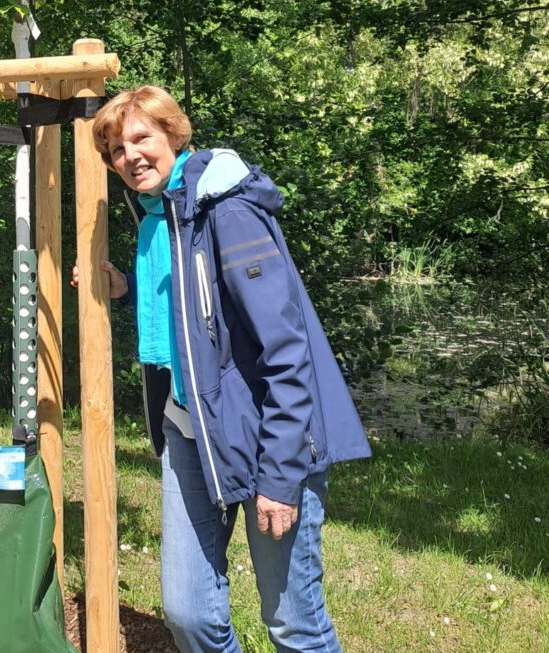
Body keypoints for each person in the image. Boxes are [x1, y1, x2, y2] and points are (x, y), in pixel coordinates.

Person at [75, 85, 371, 652]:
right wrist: (128, 287)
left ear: (174, 136)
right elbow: (196, 308)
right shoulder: (160, 217)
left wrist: (281, 477)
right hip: (191, 427)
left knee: (292, 622)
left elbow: (287, 350)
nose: (129, 156)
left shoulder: (227, 211)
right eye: (116, 148)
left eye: (141, 138)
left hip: (267, 438)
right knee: (188, 615)